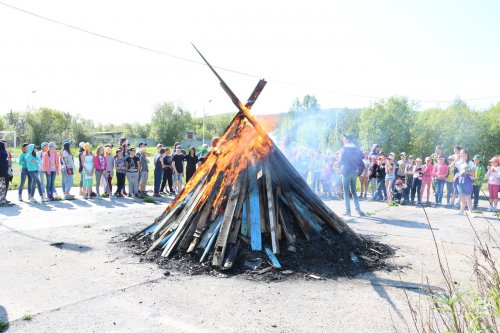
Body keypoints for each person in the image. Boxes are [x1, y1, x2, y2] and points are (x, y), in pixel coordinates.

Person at [339, 134, 365, 216]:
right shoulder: (356, 148)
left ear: (347, 140)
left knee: (346, 192)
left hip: (346, 172)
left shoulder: (344, 149)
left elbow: (341, 160)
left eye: (344, 138)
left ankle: (348, 211)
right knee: (354, 191)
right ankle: (358, 210)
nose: (343, 140)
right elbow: (363, 156)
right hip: (354, 172)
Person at [453, 149, 475, 215]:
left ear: (466, 154)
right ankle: (461, 211)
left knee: (468, 196)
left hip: (467, 179)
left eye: (462, 153)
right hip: (460, 179)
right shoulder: (459, 162)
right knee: (462, 196)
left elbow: (473, 172)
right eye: (460, 153)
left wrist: (468, 170)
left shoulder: (470, 162)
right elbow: (451, 166)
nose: (461, 154)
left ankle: (470, 211)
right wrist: (456, 159)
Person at [0, 140, 10, 206]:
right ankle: (2, 201)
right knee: (2, 187)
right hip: (3, 174)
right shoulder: (3, 153)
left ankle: (2, 200)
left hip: (2, 173)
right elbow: (4, 164)